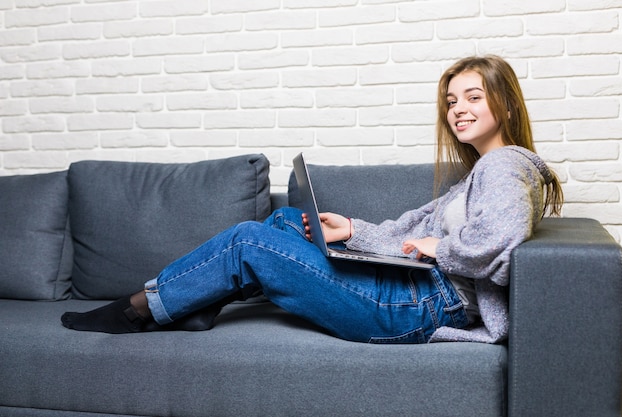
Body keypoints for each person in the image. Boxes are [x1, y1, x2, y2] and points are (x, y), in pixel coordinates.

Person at [61, 55, 563, 344]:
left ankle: (139, 309)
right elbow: (415, 228)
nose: (458, 110)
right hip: (417, 291)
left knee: (248, 241)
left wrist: (440, 248)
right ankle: (196, 302)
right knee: (283, 222)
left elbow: (500, 241)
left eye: (474, 97)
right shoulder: (480, 172)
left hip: (423, 305)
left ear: (505, 101)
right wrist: (355, 231)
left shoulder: (506, 164)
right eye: (452, 101)